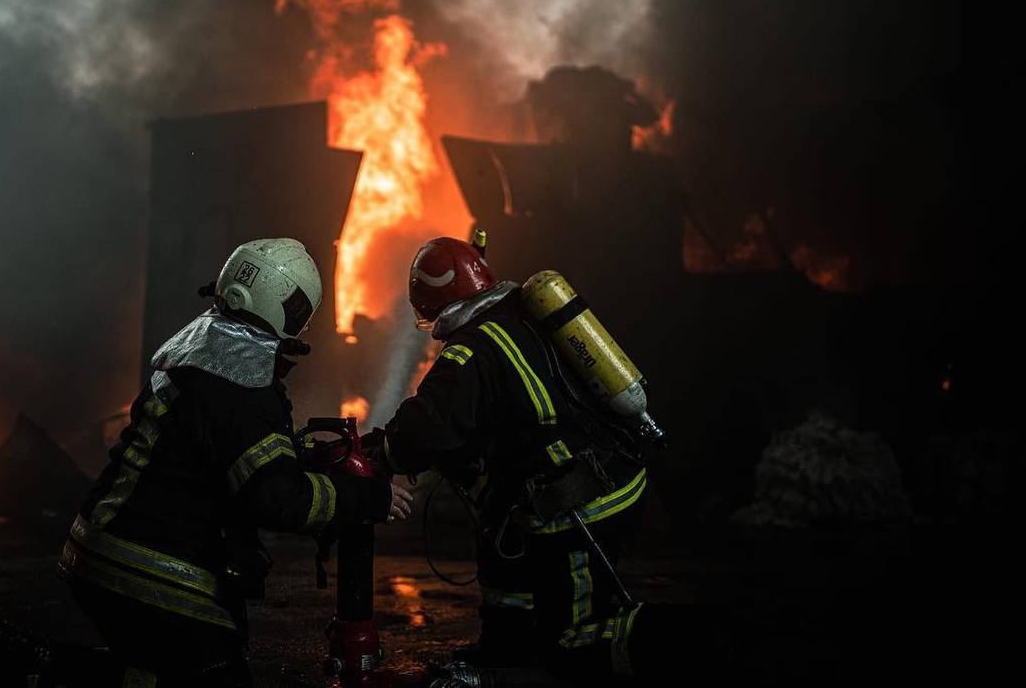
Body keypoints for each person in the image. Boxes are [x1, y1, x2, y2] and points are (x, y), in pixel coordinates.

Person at [59, 237, 413, 686]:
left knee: (153, 670)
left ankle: (41, 670)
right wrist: (367, 498)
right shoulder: (243, 382)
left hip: (97, 545)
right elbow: (278, 499)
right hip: (152, 566)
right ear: (293, 311)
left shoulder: (203, 347)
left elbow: (218, 448)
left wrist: (301, 456)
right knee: (216, 672)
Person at [379, 234, 663, 683]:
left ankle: (680, 643)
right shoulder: (523, 315)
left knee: (571, 640)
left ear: (431, 304)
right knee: (504, 542)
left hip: (581, 502)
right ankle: (506, 649)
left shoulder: (469, 350)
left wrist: (381, 452)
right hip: (604, 473)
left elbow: (427, 429)